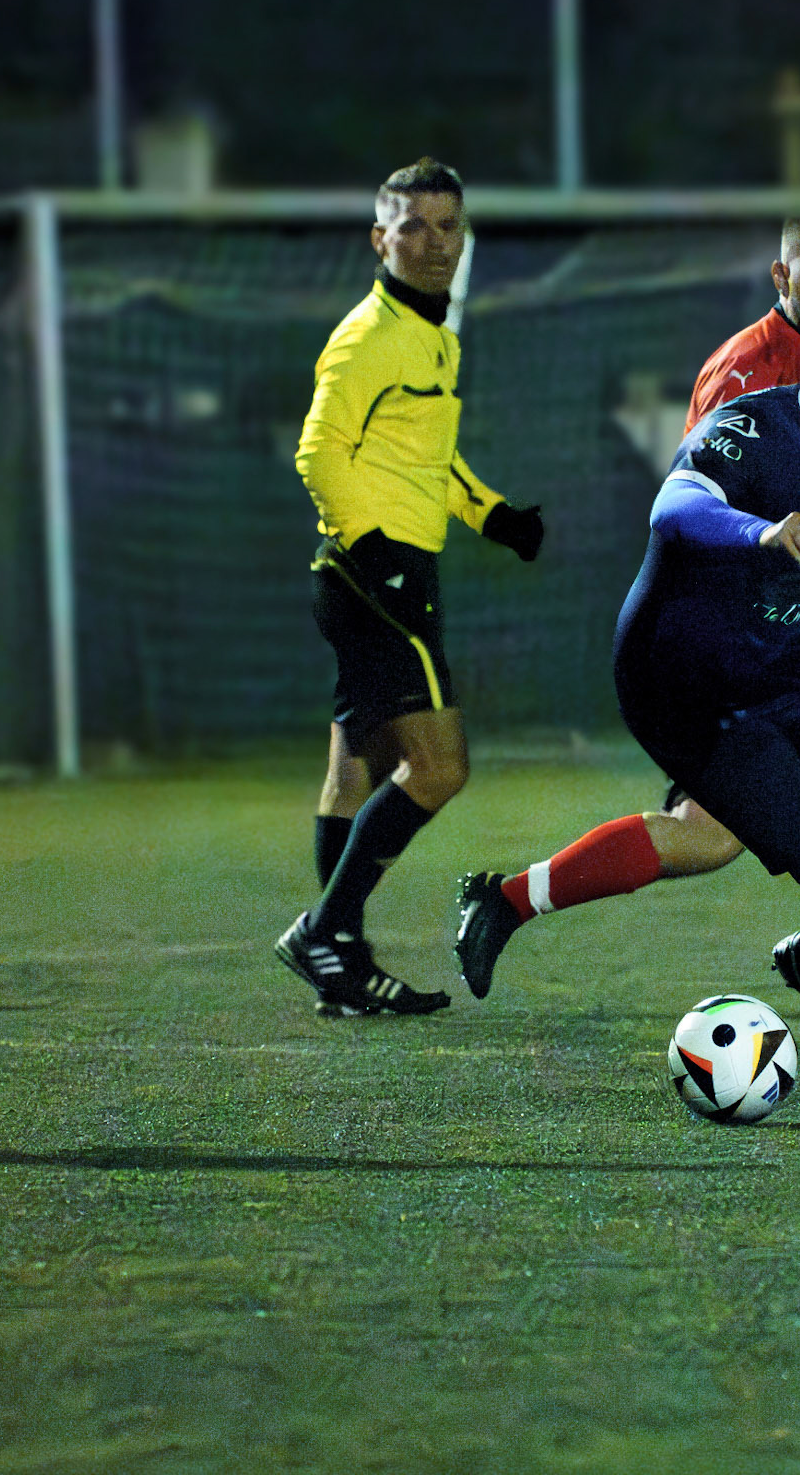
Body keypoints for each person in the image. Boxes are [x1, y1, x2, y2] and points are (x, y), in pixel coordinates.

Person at [457, 296, 800, 1111]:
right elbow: (673, 507)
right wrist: (756, 531)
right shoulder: (751, 430)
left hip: (789, 674)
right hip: (691, 691)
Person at [275, 157, 544, 1017]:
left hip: (375, 569)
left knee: (360, 762)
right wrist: (378, 553)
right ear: (379, 238)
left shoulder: (434, 336)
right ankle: (326, 930)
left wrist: (491, 514)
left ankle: (340, 961)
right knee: (439, 766)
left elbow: (425, 459)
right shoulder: (368, 336)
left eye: (449, 226)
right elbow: (318, 453)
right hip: (372, 575)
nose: (434, 243)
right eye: (415, 226)